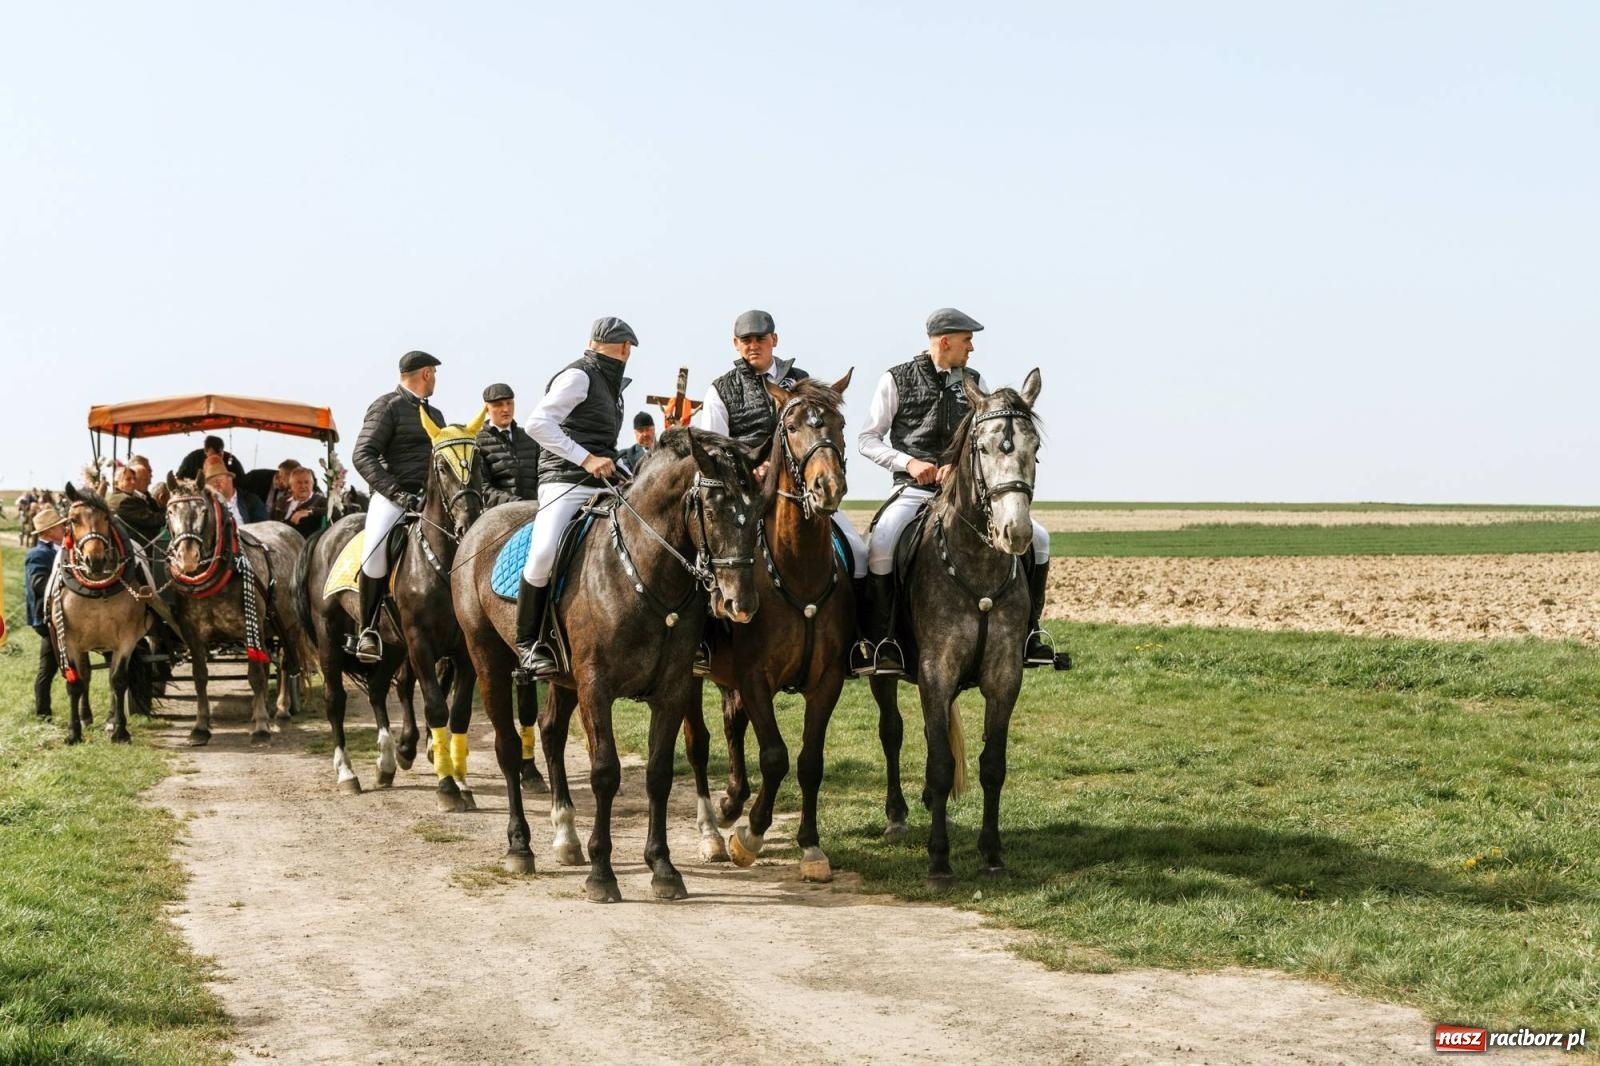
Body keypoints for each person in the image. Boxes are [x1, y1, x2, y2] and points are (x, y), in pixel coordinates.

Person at [858, 308, 1055, 674]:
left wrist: (959, 465)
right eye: (967, 340)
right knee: (882, 542)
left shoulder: (975, 381)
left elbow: (986, 438)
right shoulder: (895, 379)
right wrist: (909, 463)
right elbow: (867, 439)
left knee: (1039, 539)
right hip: (914, 490)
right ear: (945, 341)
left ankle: (1031, 634)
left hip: (964, 493)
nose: (972, 348)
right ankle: (883, 640)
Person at [694, 308, 871, 668]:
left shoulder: (801, 382)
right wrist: (749, 467)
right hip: (745, 495)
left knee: (857, 551)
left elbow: (820, 430)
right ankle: (703, 643)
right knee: (709, 558)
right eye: (746, 340)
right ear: (736, 344)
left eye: (760, 339)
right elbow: (713, 447)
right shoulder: (721, 388)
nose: (753, 346)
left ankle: (859, 641)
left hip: (801, 492)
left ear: (774, 340)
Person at [514, 317, 638, 678]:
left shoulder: (613, 384)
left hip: (603, 478)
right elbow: (537, 423)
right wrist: (585, 458)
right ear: (626, 349)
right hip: (564, 479)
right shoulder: (579, 375)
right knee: (543, 553)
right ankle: (528, 644)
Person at [349, 350, 446, 662]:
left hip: (432, 500)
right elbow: (362, 454)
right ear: (427, 374)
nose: (436, 381)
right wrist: (396, 493)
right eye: (435, 374)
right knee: (374, 553)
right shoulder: (386, 406)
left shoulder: (437, 416)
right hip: (394, 496)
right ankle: (368, 630)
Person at [25, 503, 69, 719]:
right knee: (48, 668)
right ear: (48, 532)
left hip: (62, 616)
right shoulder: (38, 555)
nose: (64, 529)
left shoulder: (59, 550)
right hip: (46, 619)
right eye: (60, 527)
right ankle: (42, 713)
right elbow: (39, 585)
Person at [476, 382, 540, 504]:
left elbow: (543, 476)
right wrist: (515, 503)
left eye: (509, 403)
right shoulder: (477, 443)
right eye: (498, 405)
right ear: (486, 409)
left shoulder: (530, 437)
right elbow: (481, 488)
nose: (506, 409)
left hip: (535, 511)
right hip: (498, 515)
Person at [107, 457, 166, 543]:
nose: (133, 482)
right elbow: (151, 520)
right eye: (128, 479)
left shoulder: (138, 497)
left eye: (134, 479)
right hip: (137, 550)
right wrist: (172, 514)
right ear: (116, 483)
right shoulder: (124, 501)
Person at [203, 455, 268, 524]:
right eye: (211, 482)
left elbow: (262, 527)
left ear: (230, 478)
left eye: (219, 479)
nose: (216, 484)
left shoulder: (251, 501)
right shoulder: (206, 507)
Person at [280, 465, 328, 538]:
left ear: (312, 484)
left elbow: (335, 512)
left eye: (307, 482)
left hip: (304, 544)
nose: (303, 486)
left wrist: (309, 512)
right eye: (299, 482)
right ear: (291, 485)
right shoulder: (282, 501)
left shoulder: (320, 500)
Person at [177, 435, 247, 482]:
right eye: (212, 455)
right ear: (205, 451)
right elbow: (180, 479)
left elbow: (242, 481)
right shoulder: (192, 459)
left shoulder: (232, 461)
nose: (216, 458)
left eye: (219, 455)